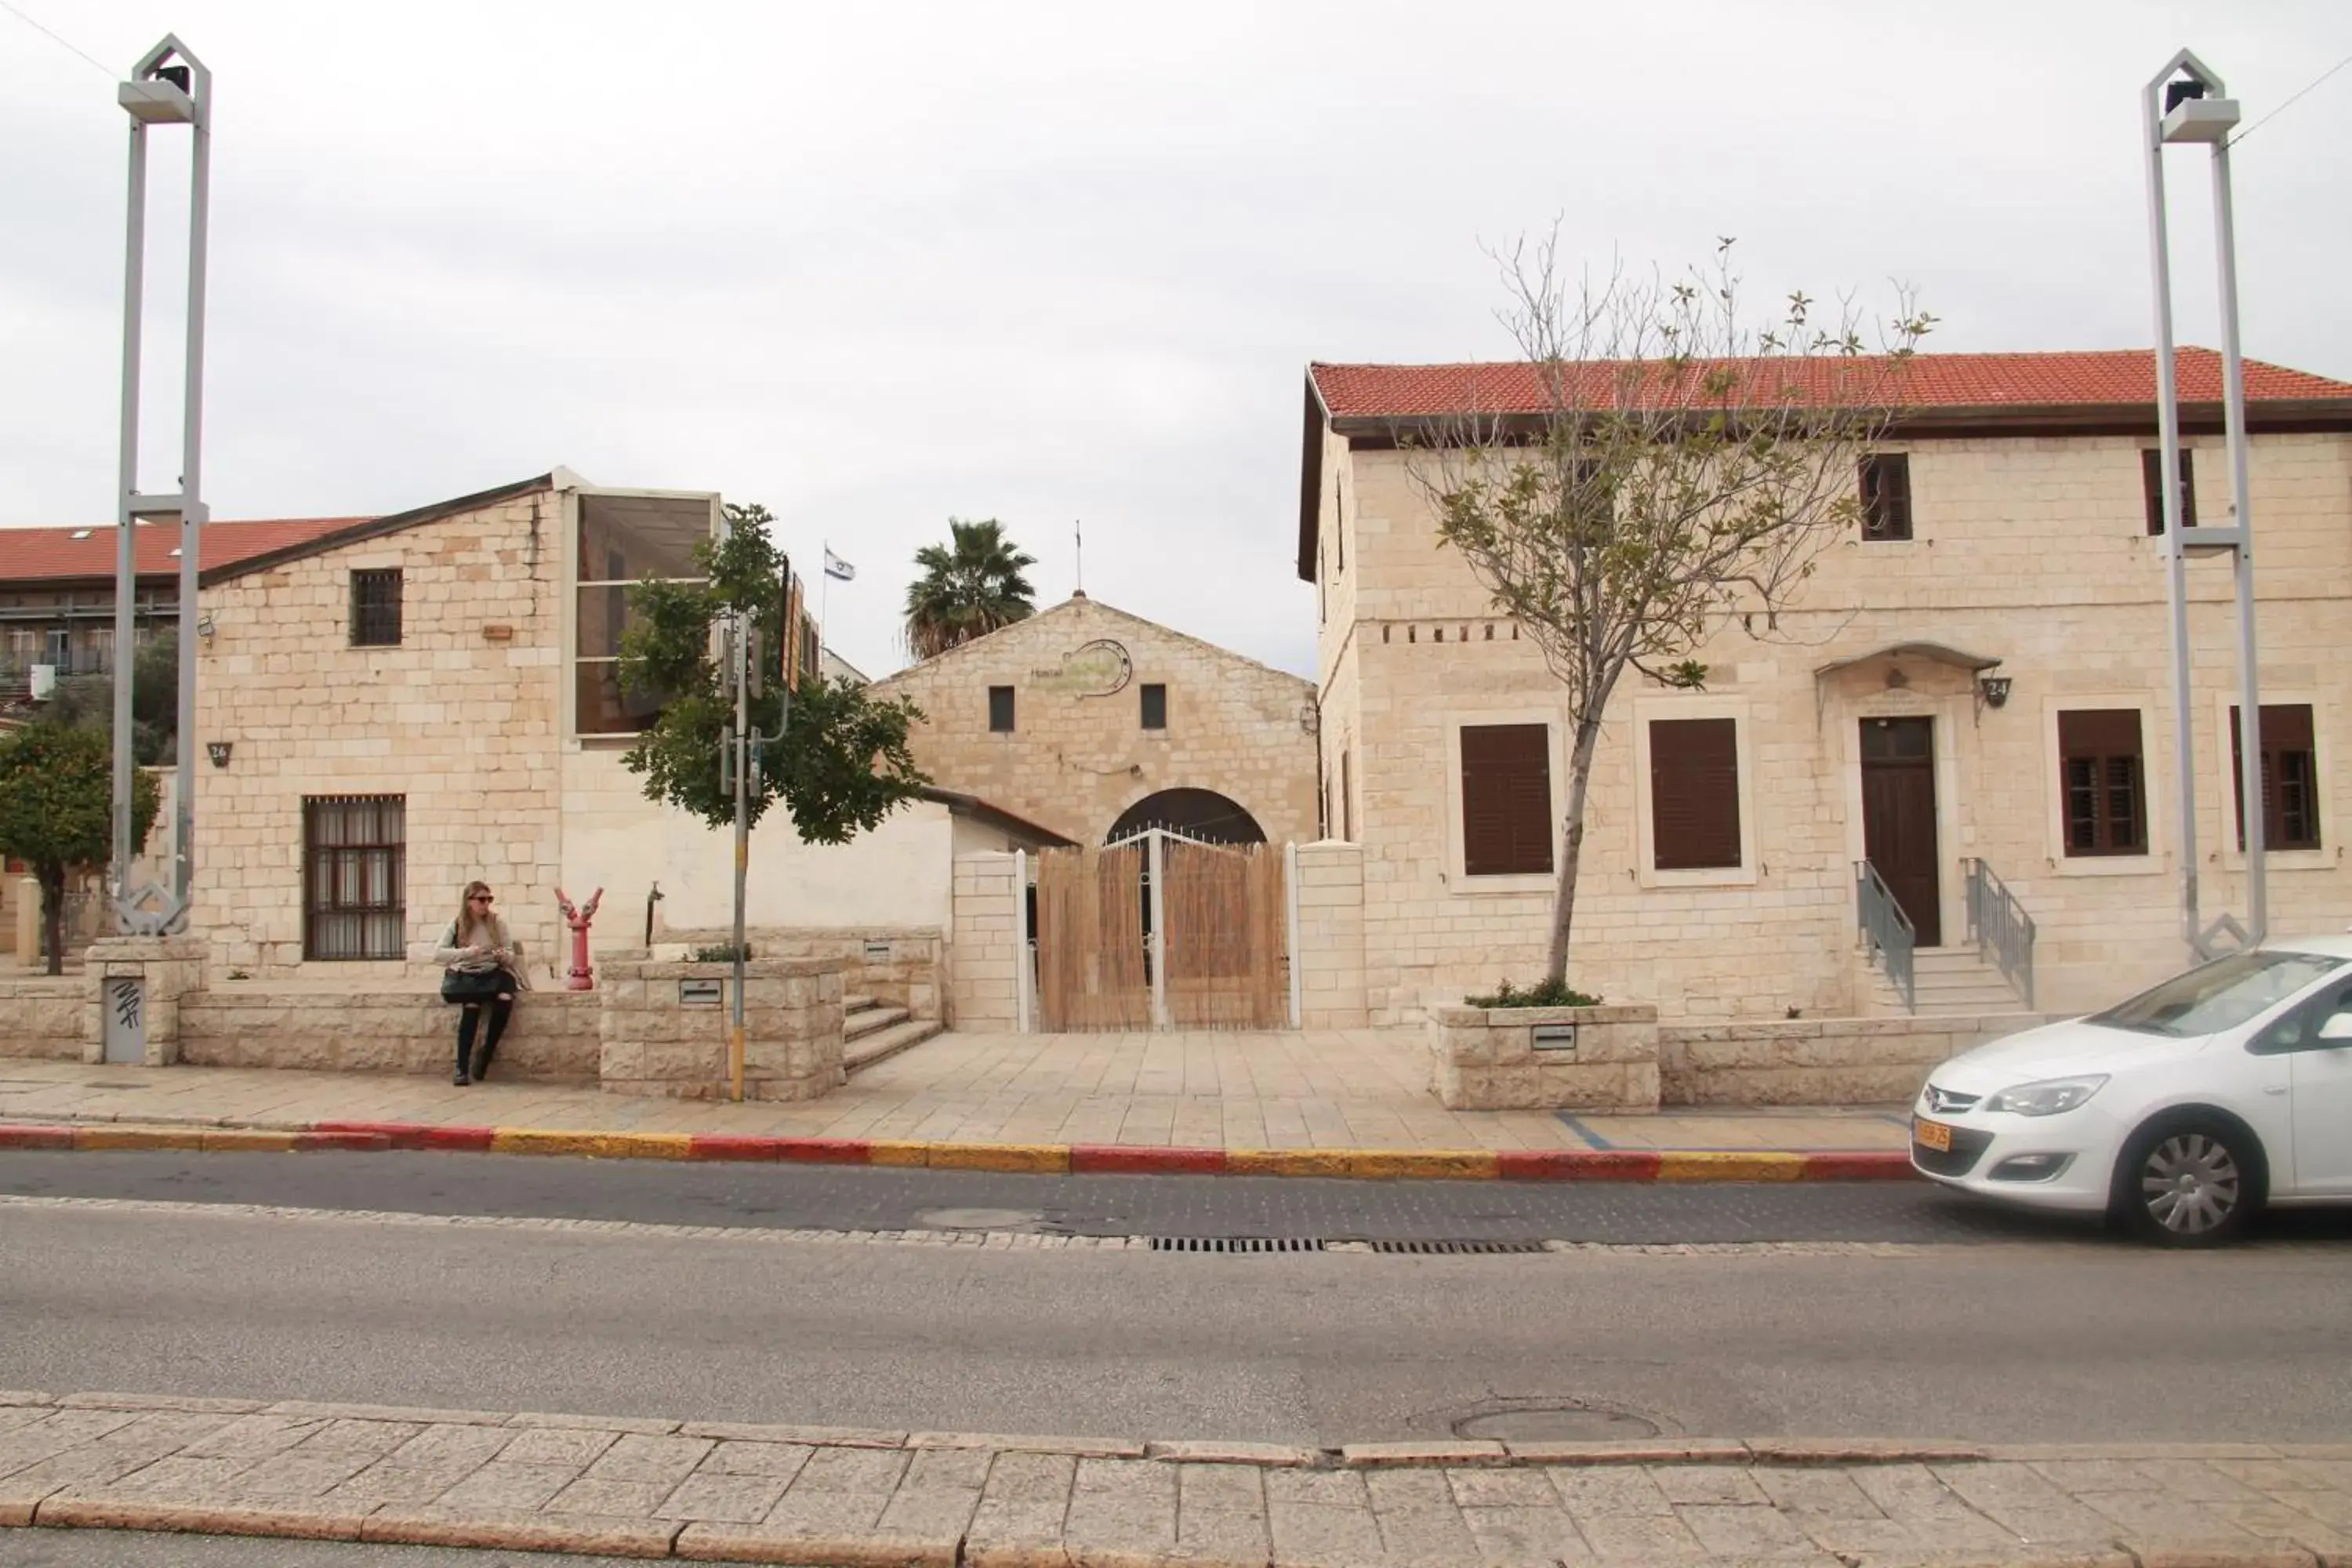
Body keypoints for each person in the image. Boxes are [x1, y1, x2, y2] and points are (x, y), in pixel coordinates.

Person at [435, 881, 521, 1085]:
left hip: (492, 971)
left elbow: (511, 954)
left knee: (505, 999)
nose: (485, 904)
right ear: (469, 901)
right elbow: (438, 953)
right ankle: (461, 1068)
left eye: (489, 899)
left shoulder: (497, 923)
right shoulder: (457, 924)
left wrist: (502, 956)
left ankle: (486, 1055)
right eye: (481, 900)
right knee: (471, 1007)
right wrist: (467, 952)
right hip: (468, 973)